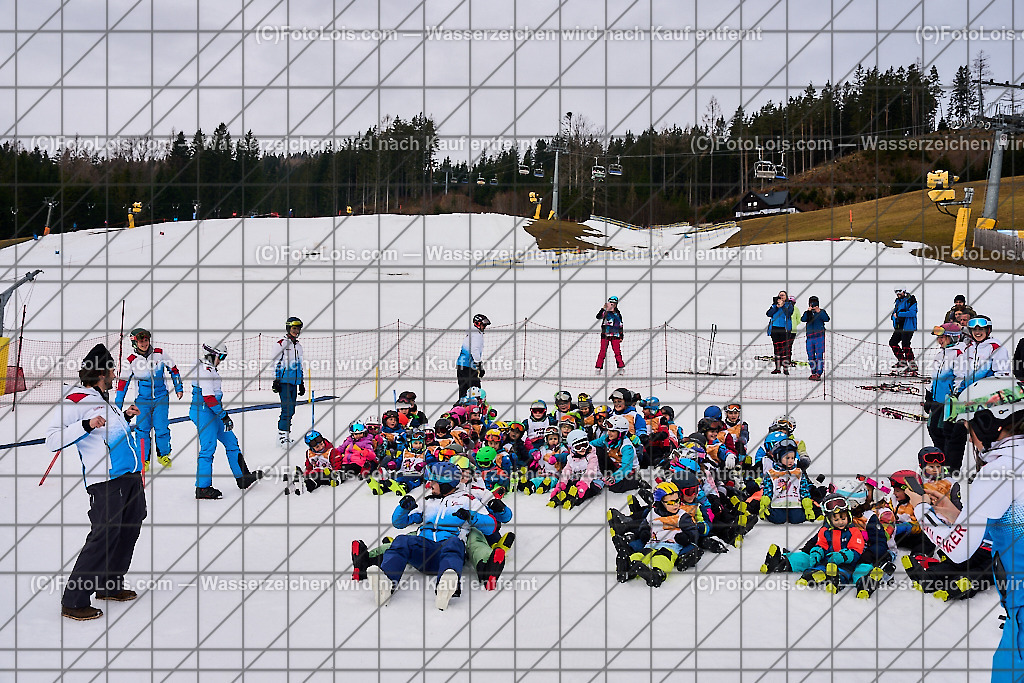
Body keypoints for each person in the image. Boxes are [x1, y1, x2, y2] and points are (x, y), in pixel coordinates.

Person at [908, 377, 1024, 678]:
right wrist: (954, 512)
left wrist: (922, 509)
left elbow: (958, 550)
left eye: (970, 428)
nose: (971, 439)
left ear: (990, 423)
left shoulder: (1001, 469)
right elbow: (1003, 520)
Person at [46, 344, 146, 621]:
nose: (115, 373)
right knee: (103, 535)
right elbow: (52, 440)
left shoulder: (105, 399)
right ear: (101, 371)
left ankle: (108, 584)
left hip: (128, 476)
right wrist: (86, 425)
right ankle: (73, 600)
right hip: (105, 481)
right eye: (112, 369)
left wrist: (125, 417)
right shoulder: (78, 399)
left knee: (129, 527)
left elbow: (109, 433)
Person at [368, 461, 498, 610]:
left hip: (447, 551)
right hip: (424, 552)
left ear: (446, 484)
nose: (430, 485)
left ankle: (446, 584)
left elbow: (491, 526)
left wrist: (471, 516)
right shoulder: (428, 502)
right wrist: (402, 509)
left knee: (454, 542)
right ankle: (387, 581)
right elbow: (399, 523)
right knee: (402, 540)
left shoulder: (468, 500)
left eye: (434, 482)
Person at [188, 341, 263, 499]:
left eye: (224, 357)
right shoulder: (205, 370)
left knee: (231, 442)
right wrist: (223, 415)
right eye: (221, 356)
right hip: (204, 411)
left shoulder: (210, 368)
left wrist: (221, 413)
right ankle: (202, 488)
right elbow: (208, 397)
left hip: (213, 410)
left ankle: (243, 478)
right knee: (208, 448)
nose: (222, 360)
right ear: (212, 354)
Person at [114, 327, 184, 469]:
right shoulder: (131, 360)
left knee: (161, 427)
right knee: (143, 429)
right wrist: (117, 405)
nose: (144, 344)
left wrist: (179, 388)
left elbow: (174, 370)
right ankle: (143, 459)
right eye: (141, 342)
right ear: (135, 343)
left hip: (161, 398)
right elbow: (123, 384)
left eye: (146, 340)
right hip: (142, 401)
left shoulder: (160, 354)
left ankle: (163, 455)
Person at [924, 323, 967, 470]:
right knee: (932, 428)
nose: (940, 340)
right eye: (939, 338)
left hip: (950, 401)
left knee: (947, 432)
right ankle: (940, 457)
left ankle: (950, 465)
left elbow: (961, 378)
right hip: (937, 400)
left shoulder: (959, 354)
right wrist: (929, 395)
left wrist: (955, 396)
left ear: (953, 337)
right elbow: (934, 377)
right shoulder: (941, 353)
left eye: (943, 337)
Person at [954, 315, 1012, 394]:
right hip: (967, 395)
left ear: (988, 330)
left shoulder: (995, 348)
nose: (977, 333)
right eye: (974, 330)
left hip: (986, 395)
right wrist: (958, 389)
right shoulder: (969, 349)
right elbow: (961, 373)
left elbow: (1002, 374)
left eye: (981, 329)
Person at [271, 316, 305, 448]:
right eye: (294, 328)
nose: (296, 331)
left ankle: (286, 434)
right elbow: (275, 363)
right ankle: (281, 437)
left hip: (294, 382)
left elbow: (300, 365)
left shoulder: (298, 346)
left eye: (298, 329)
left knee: (292, 409)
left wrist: (301, 382)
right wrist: (276, 380)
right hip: (284, 381)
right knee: (286, 409)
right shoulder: (281, 344)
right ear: (288, 328)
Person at [456, 313, 490, 398]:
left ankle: (461, 408)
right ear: (478, 324)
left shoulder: (472, 333)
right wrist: (479, 365)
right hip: (468, 366)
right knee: (475, 390)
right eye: (484, 325)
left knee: (463, 390)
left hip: (461, 364)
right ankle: (475, 408)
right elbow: (474, 350)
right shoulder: (476, 335)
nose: (485, 327)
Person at [889, 288, 919, 374]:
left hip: (908, 326)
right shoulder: (898, 301)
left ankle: (912, 364)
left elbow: (912, 313)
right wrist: (893, 317)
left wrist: (899, 314)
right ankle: (902, 361)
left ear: (904, 291)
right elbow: (895, 312)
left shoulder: (911, 300)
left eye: (899, 291)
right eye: (896, 291)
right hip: (899, 327)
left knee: (905, 344)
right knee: (893, 342)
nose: (898, 293)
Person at [766, 290, 795, 374]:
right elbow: (768, 313)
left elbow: (789, 313)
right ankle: (777, 367)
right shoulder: (774, 305)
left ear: (786, 297)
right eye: (780, 295)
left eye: (783, 295)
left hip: (784, 329)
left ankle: (785, 368)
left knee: (784, 348)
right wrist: (776, 306)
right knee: (776, 348)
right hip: (775, 328)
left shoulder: (789, 305)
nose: (781, 297)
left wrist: (783, 306)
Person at [800, 296, 830, 381]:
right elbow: (803, 319)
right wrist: (808, 311)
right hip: (810, 337)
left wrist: (819, 312)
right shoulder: (807, 312)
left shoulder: (822, 312)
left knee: (819, 355)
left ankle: (818, 373)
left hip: (819, 337)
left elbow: (826, 319)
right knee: (811, 355)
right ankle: (813, 372)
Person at [595, 295, 625, 373]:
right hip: (605, 335)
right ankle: (598, 368)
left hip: (615, 336)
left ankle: (620, 368)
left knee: (617, 352)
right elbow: (598, 317)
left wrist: (621, 335)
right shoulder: (605, 312)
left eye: (614, 303)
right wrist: (603, 308)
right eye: (611, 303)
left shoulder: (618, 314)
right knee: (602, 352)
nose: (612, 304)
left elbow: (620, 325)